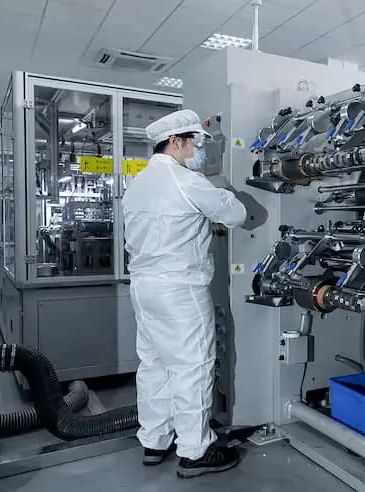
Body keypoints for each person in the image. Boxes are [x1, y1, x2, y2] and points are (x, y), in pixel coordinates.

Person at [122, 109, 246, 478]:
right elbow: (236, 214)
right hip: (180, 289)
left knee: (155, 365)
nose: (200, 151)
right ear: (176, 142)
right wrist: (222, 190)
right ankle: (195, 451)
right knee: (192, 365)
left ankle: (154, 441)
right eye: (197, 143)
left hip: (144, 288)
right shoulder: (186, 181)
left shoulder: (138, 182)